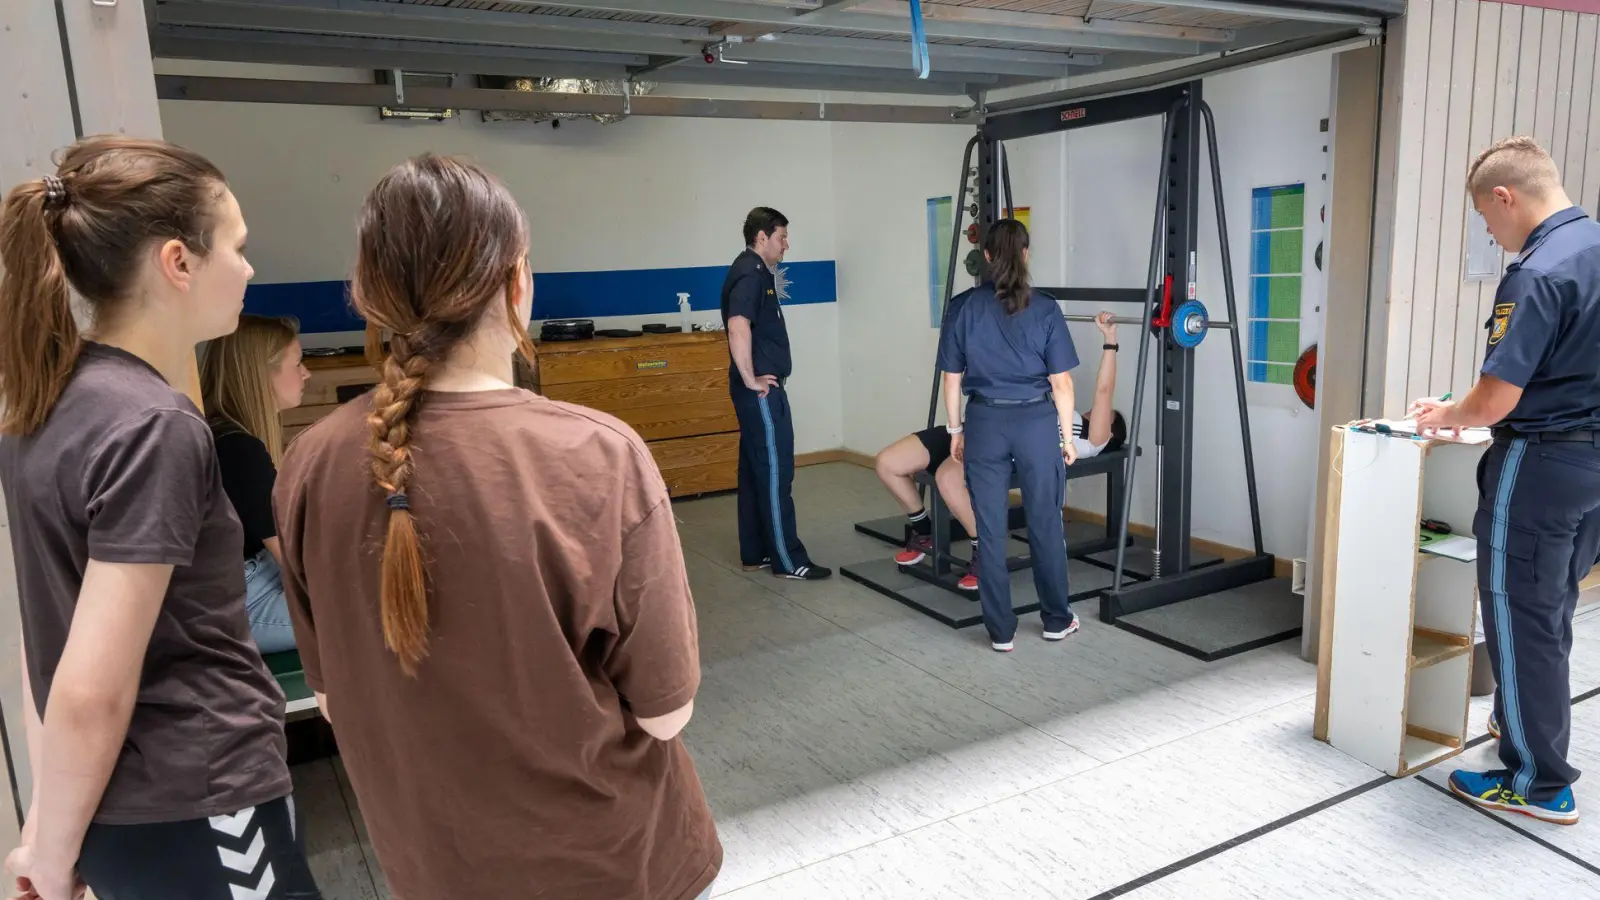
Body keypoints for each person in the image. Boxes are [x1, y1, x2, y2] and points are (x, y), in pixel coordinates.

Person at [272, 155, 722, 899]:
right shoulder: (598, 455)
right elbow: (667, 714)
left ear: (369, 296)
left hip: (431, 867)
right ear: (517, 283)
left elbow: (330, 699)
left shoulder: (309, 465)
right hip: (609, 867)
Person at [0, 138, 319, 900]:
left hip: (134, 811)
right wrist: (48, 850)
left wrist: (53, 825)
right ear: (179, 263)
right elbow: (88, 685)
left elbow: (44, 649)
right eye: (237, 248)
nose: (247, 268)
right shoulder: (155, 426)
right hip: (200, 797)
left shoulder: (45, 407)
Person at [1409, 136, 1600, 825]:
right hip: (1592, 468)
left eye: (1489, 224)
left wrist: (1446, 415)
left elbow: (1494, 401)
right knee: (1548, 611)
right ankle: (1520, 728)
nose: (1493, 236)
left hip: (1542, 461)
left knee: (1519, 616)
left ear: (1505, 196)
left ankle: (1538, 781)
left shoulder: (1539, 271)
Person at [876, 311, 1128, 591]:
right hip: (976, 423)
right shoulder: (1069, 414)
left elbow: (1104, 390)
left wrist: (1110, 339)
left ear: (1111, 430)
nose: (1096, 411)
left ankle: (983, 553)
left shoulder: (1095, 439)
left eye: (1107, 415)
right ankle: (924, 532)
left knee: (947, 477)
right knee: (888, 463)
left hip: (1000, 441)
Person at [937, 218, 1082, 652]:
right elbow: (1062, 384)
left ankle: (1001, 631)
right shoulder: (1045, 309)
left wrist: (955, 429)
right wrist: (1067, 438)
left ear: (985, 257)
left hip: (984, 422)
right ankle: (1057, 619)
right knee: (1044, 523)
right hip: (1036, 424)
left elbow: (950, 377)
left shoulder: (963, 307)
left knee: (990, 528)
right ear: (1026, 253)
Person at [722, 207, 831, 581]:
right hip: (761, 394)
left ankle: (757, 552)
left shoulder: (753, 271)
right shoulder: (750, 273)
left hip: (757, 390)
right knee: (774, 472)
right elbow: (739, 327)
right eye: (782, 237)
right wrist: (751, 378)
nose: (787, 244)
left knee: (755, 471)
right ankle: (789, 560)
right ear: (761, 237)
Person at [200, 314, 311, 655]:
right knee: (376, 619)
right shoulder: (238, 450)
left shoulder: (226, 436)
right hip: (244, 598)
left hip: (253, 576)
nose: (306, 373)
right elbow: (294, 562)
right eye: (298, 364)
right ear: (264, 373)